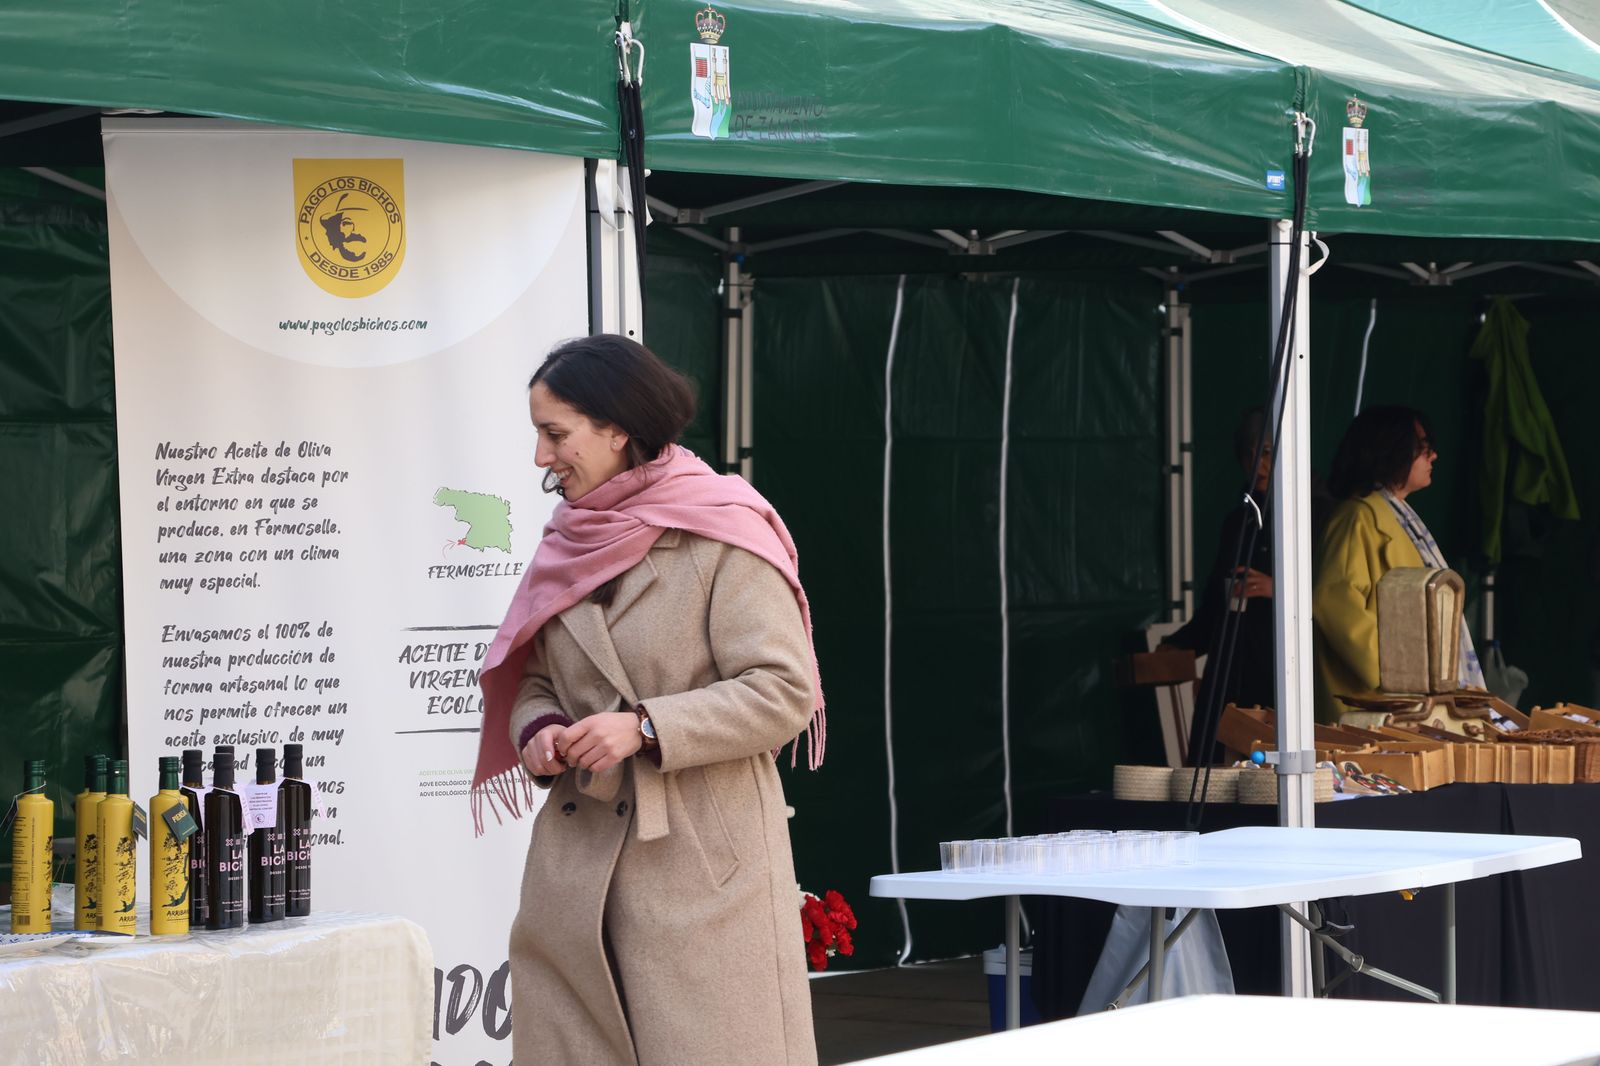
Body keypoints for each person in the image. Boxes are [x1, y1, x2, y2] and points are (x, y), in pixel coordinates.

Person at [470, 335, 825, 1066]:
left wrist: (647, 727)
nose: (541, 457)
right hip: (579, 867)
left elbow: (787, 690)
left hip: (701, 871)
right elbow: (539, 675)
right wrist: (538, 725)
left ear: (617, 427)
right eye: (538, 433)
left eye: (555, 434)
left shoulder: (724, 531)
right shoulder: (569, 538)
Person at [1313, 406, 1484, 722]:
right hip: (1374, 709)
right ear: (1389, 449)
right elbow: (1334, 604)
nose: (1433, 456)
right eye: (1423, 446)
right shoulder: (1356, 518)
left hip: (1405, 705)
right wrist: (1400, 674)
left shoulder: (1396, 518)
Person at [1165, 408, 1276, 714]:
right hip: (1234, 669)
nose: (1257, 464)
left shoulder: (1316, 515)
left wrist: (1276, 589)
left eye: (1266, 452)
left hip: (1286, 674)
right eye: (1247, 454)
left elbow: (1333, 599)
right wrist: (1181, 645)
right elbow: (1216, 601)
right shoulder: (1239, 521)